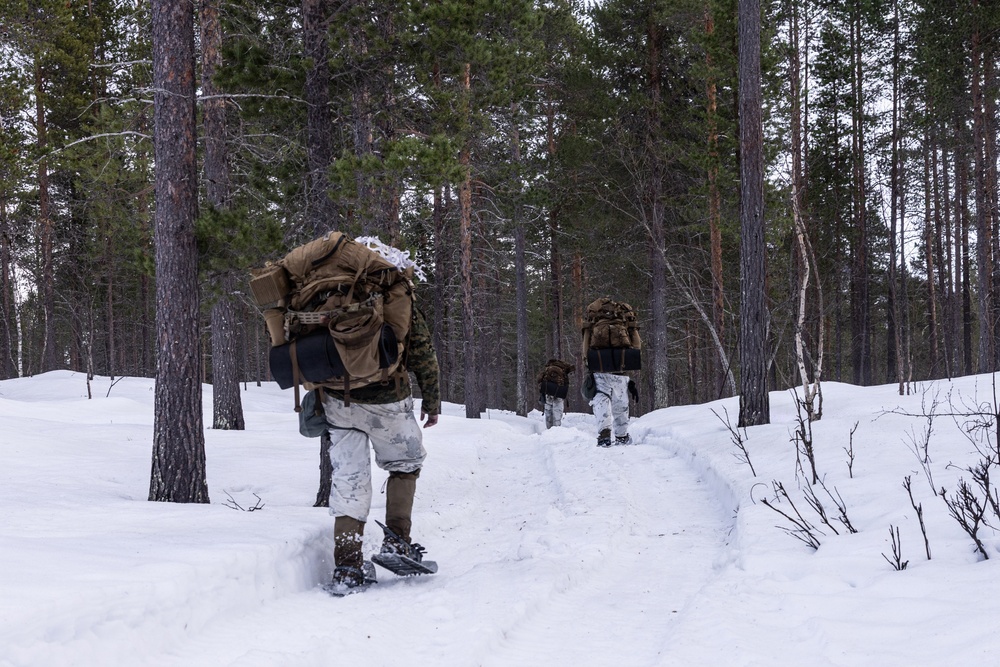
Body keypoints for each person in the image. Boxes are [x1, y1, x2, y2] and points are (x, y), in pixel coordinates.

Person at [321, 293, 441, 593]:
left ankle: (347, 567)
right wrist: (432, 400)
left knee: (349, 480)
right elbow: (423, 353)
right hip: (387, 399)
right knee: (406, 464)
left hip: (337, 400)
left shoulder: (324, 293)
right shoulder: (396, 295)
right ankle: (397, 542)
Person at [582, 297, 640, 448]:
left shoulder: (594, 320)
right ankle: (621, 435)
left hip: (599, 368)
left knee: (601, 400)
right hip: (620, 370)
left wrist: (587, 360)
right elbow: (636, 344)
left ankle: (604, 434)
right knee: (621, 404)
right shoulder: (622, 319)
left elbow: (586, 342)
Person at [536, 359, 574, 428]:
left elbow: (539, 379)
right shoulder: (564, 370)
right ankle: (556, 430)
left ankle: (549, 429)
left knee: (548, 411)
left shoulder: (548, 368)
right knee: (557, 412)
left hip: (548, 392)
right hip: (559, 393)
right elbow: (566, 384)